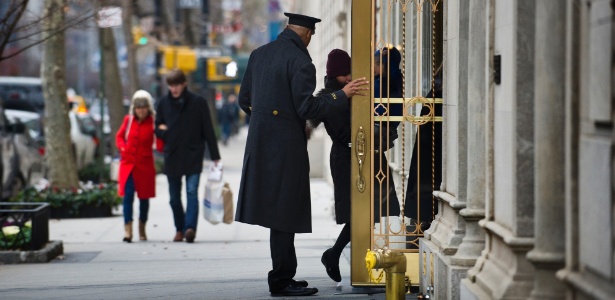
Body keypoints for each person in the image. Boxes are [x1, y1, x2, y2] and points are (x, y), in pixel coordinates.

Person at [235, 13, 369, 297]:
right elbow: (308, 109)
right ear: (307, 33)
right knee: (285, 212)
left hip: (260, 143)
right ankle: (281, 280)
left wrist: (267, 123)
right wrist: (341, 95)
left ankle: (282, 275)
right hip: (287, 146)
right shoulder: (300, 61)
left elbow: (244, 100)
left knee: (278, 214)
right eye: (311, 36)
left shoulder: (259, 54)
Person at [155, 69, 221, 243]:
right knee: (174, 198)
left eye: (177, 85)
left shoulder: (198, 102)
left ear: (184, 84)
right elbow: (157, 127)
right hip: (172, 155)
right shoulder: (163, 103)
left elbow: (207, 129)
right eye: (171, 85)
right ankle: (179, 228)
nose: (174, 89)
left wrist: (215, 155)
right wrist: (165, 133)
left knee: (191, 192)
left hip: (193, 154)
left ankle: (189, 228)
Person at [307, 49, 352, 283]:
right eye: (346, 74)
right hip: (345, 159)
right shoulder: (329, 96)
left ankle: (334, 255)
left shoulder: (347, 91)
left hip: (357, 156)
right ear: (336, 75)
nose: (350, 78)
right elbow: (343, 133)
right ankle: (333, 255)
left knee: (367, 212)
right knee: (357, 214)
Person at [116, 90, 157, 243]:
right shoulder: (128, 120)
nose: (141, 110)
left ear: (148, 108)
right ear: (134, 108)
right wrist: (122, 148)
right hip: (128, 166)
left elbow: (158, 141)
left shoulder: (153, 122)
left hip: (145, 166)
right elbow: (119, 136)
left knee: (144, 199)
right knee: (127, 197)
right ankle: (128, 230)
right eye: (138, 108)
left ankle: (142, 227)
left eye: (144, 107)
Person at [373, 46, 403, 222]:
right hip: (381, 136)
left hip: (377, 137)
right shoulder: (392, 80)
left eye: (377, 63)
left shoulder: (382, 85)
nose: (373, 67)